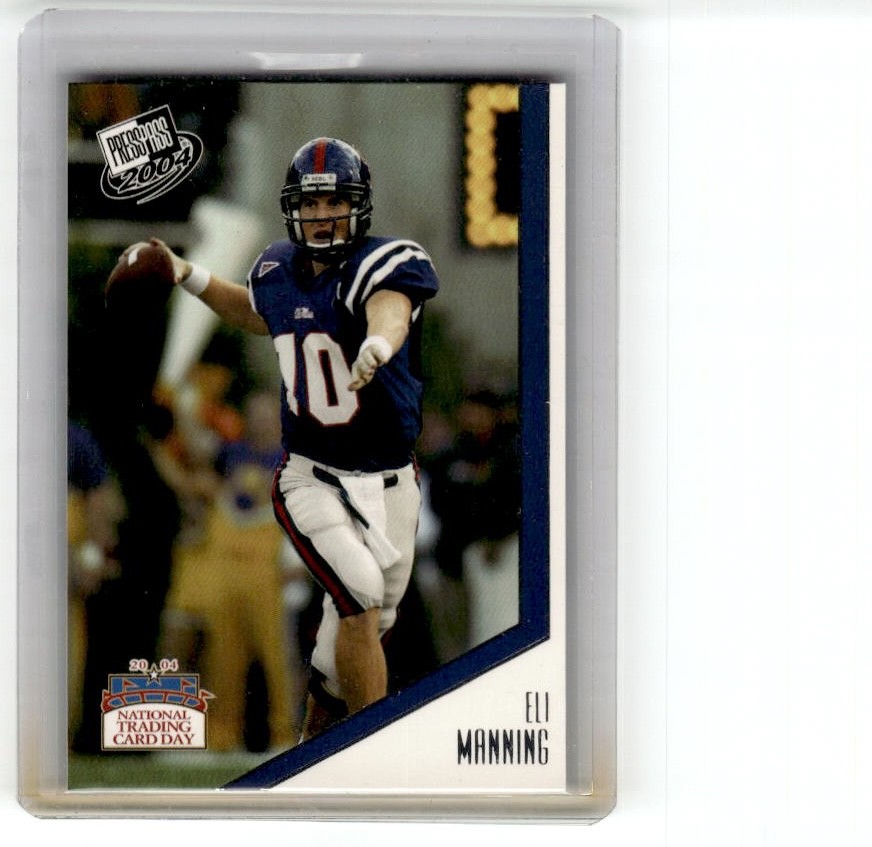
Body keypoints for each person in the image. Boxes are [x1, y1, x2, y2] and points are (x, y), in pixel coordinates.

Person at [130, 137, 439, 740]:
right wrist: (189, 274)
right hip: (311, 476)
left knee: (358, 632)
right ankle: (367, 751)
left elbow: (391, 311)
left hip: (391, 480)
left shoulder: (388, 262)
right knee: (359, 595)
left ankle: (313, 743)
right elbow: (255, 312)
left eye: (335, 201)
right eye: (311, 203)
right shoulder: (277, 268)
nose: (322, 215)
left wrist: (378, 344)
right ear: (293, 208)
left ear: (358, 205)